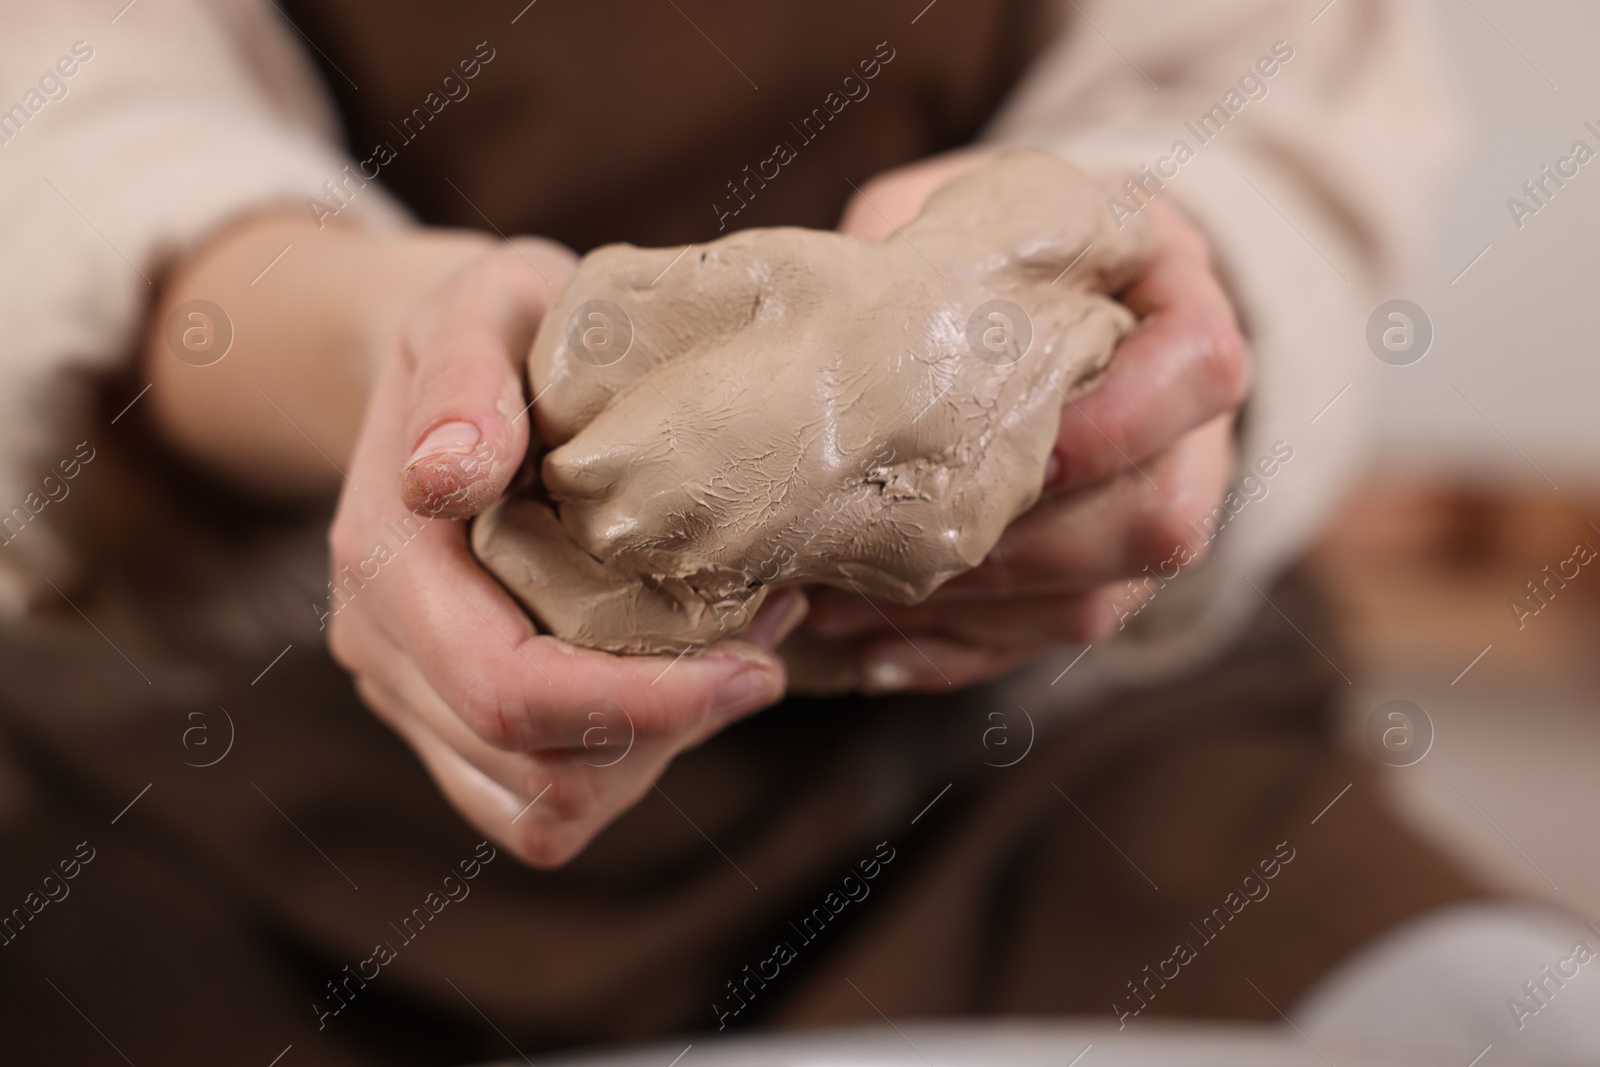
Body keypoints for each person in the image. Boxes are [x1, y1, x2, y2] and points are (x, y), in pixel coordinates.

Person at [1, 1, 1596, 1064]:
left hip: (1069, 782)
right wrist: (388, 347)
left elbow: (1256, 84)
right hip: (225, 803)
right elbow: (69, 118)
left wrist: (1122, 290)